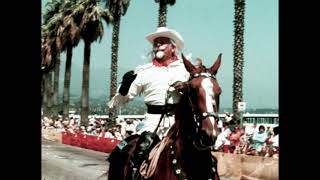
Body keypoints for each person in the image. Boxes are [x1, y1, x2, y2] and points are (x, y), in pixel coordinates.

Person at [108, 26, 190, 173]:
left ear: (173, 47)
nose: (158, 44)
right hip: (152, 121)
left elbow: (199, 93)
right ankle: (133, 174)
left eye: (162, 42)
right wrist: (124, 86)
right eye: (156, 42)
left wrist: (186, 89)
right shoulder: (143, 71)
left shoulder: (185, 69)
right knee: (141, 148)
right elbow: (123, 98)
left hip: (180, 120)